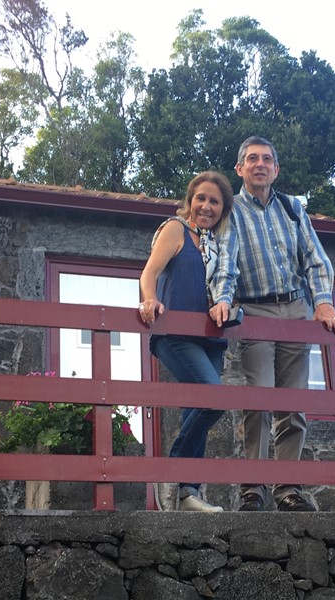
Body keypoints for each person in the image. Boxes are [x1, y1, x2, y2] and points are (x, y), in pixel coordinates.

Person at [210, 136, 335, 512]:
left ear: (276, 169)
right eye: (252, 159)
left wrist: (322, 302)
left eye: (267, 159)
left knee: (294, 402)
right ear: (239, 168)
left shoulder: (292, 207)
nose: (260, 164)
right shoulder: (231, 210)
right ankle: (253, 488)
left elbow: (315, 258)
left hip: (296, 308)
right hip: (255, 311)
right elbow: (226, 259)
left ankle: (288, 488)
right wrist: (222, 298)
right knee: (260, 398)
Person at [139, 170, 233, 512]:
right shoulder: (175, 229)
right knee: (214, 399)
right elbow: (149, 272)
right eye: (200, 198)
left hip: (211, 339)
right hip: (175, 334)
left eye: (214, 201)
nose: (206, 206)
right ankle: (172, 472)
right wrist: (150, 300)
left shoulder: (219, 243)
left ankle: (188, 492)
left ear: (223, 208)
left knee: (196, 411)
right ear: (189, 201)